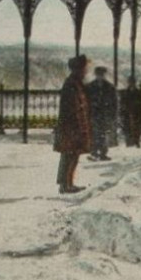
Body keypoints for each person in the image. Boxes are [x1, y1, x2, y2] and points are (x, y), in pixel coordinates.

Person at [54, 54, 93, 193]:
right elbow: (73, 109)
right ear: (78, 69)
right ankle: (66, 185)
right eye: (84, 69)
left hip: (73, 128)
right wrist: (80, 128)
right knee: (70, 156)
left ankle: (66, 184)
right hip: (71, 128)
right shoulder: (72, 84)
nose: (86, 72)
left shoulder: (75, 83)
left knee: (71, 156)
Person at [84, 65, 118, 161]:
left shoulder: (110, 87)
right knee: (94, 134)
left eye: (101, 75)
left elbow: (114, 103)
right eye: (99, 75)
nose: (100, 76)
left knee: (103, 134)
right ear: (96, 75)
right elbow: (86, 102)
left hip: (104, 114)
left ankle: (103, 153)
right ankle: (94, 152)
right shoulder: (90, 87)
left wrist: (112, 115)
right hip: (94, 114)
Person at [121, 77, 141, 147]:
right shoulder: (125, 92)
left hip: (136, 113)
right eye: (130, 82)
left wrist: (140, 111)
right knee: (127, 128)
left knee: (136, 128)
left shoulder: (138, 92)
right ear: (128, 83)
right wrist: (123, 111)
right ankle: (129, 142)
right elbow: (122, 103)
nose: (132, 84)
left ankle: (136, 141)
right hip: (127, 113)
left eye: (133, 83)